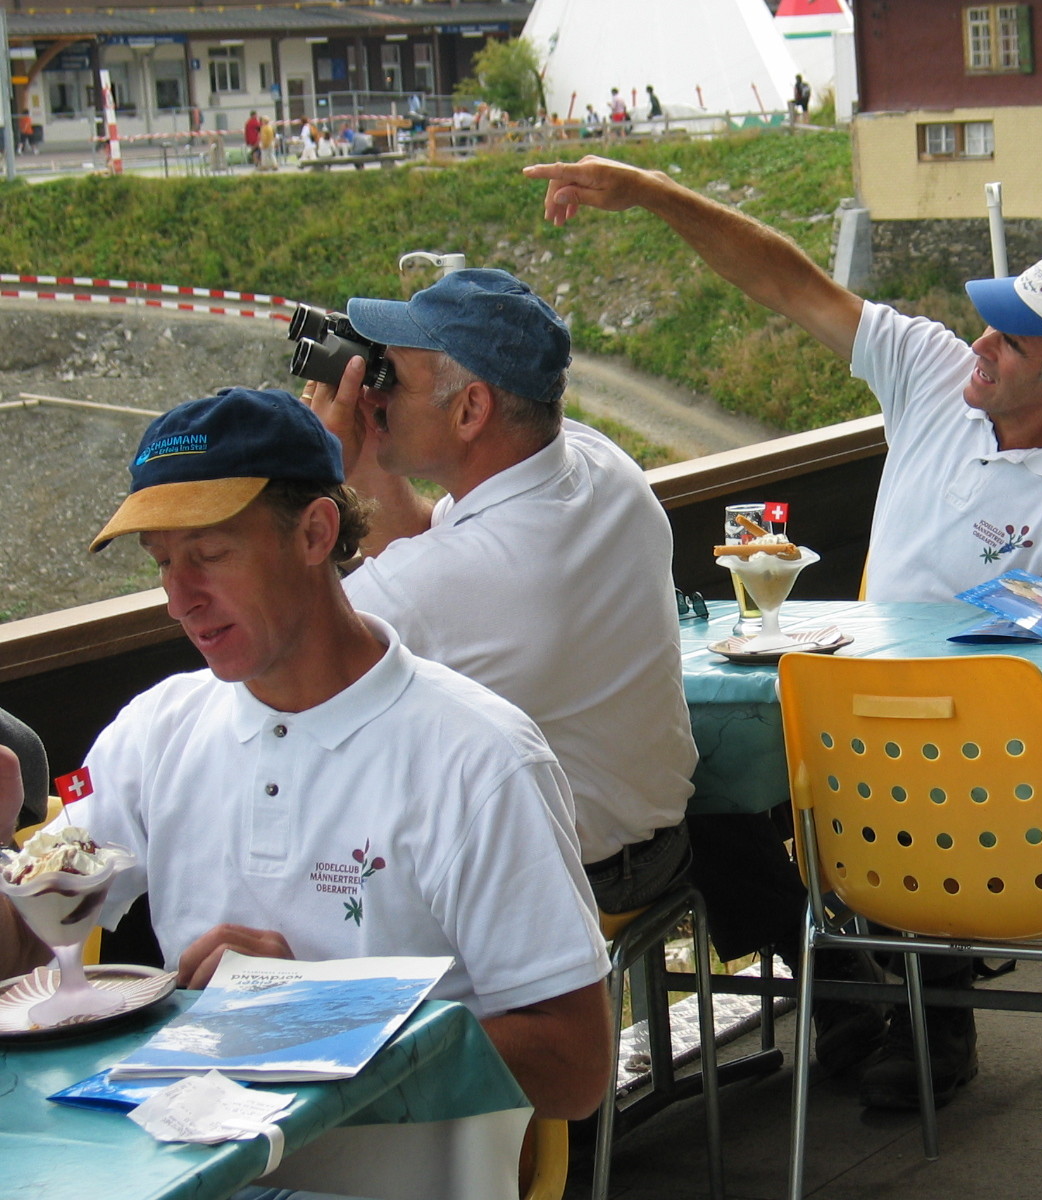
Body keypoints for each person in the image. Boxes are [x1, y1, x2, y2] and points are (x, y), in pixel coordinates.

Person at [524, 154, 1042, 1111]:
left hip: (966, 742)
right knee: (686, 773)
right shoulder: (938, 377)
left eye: (1011, 342)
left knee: (902, 768)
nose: (980, 341)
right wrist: (649, 191)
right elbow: (783, 278)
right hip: (835, 694)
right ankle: (834, 978)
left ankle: (920, 1002)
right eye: (992, 319)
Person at [0, 386, 613, 1128]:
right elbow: (29, 950)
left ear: (317, 532)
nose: (178, 599)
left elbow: (578, 1067)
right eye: (162, 562)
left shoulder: (480, 757)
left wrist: (317, 1017)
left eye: (210, 555)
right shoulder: (154, 731)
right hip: (186, 1161)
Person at [300, 269, 699, 920]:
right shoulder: (599, 466)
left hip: (566, 889)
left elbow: (287, 654)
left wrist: (316, 477)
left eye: (391, 380)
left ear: (470, 410)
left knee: (322, 869)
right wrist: (372, 455)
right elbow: (441, 544)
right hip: (657, 845)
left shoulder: (455, 579)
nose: (375, 397)